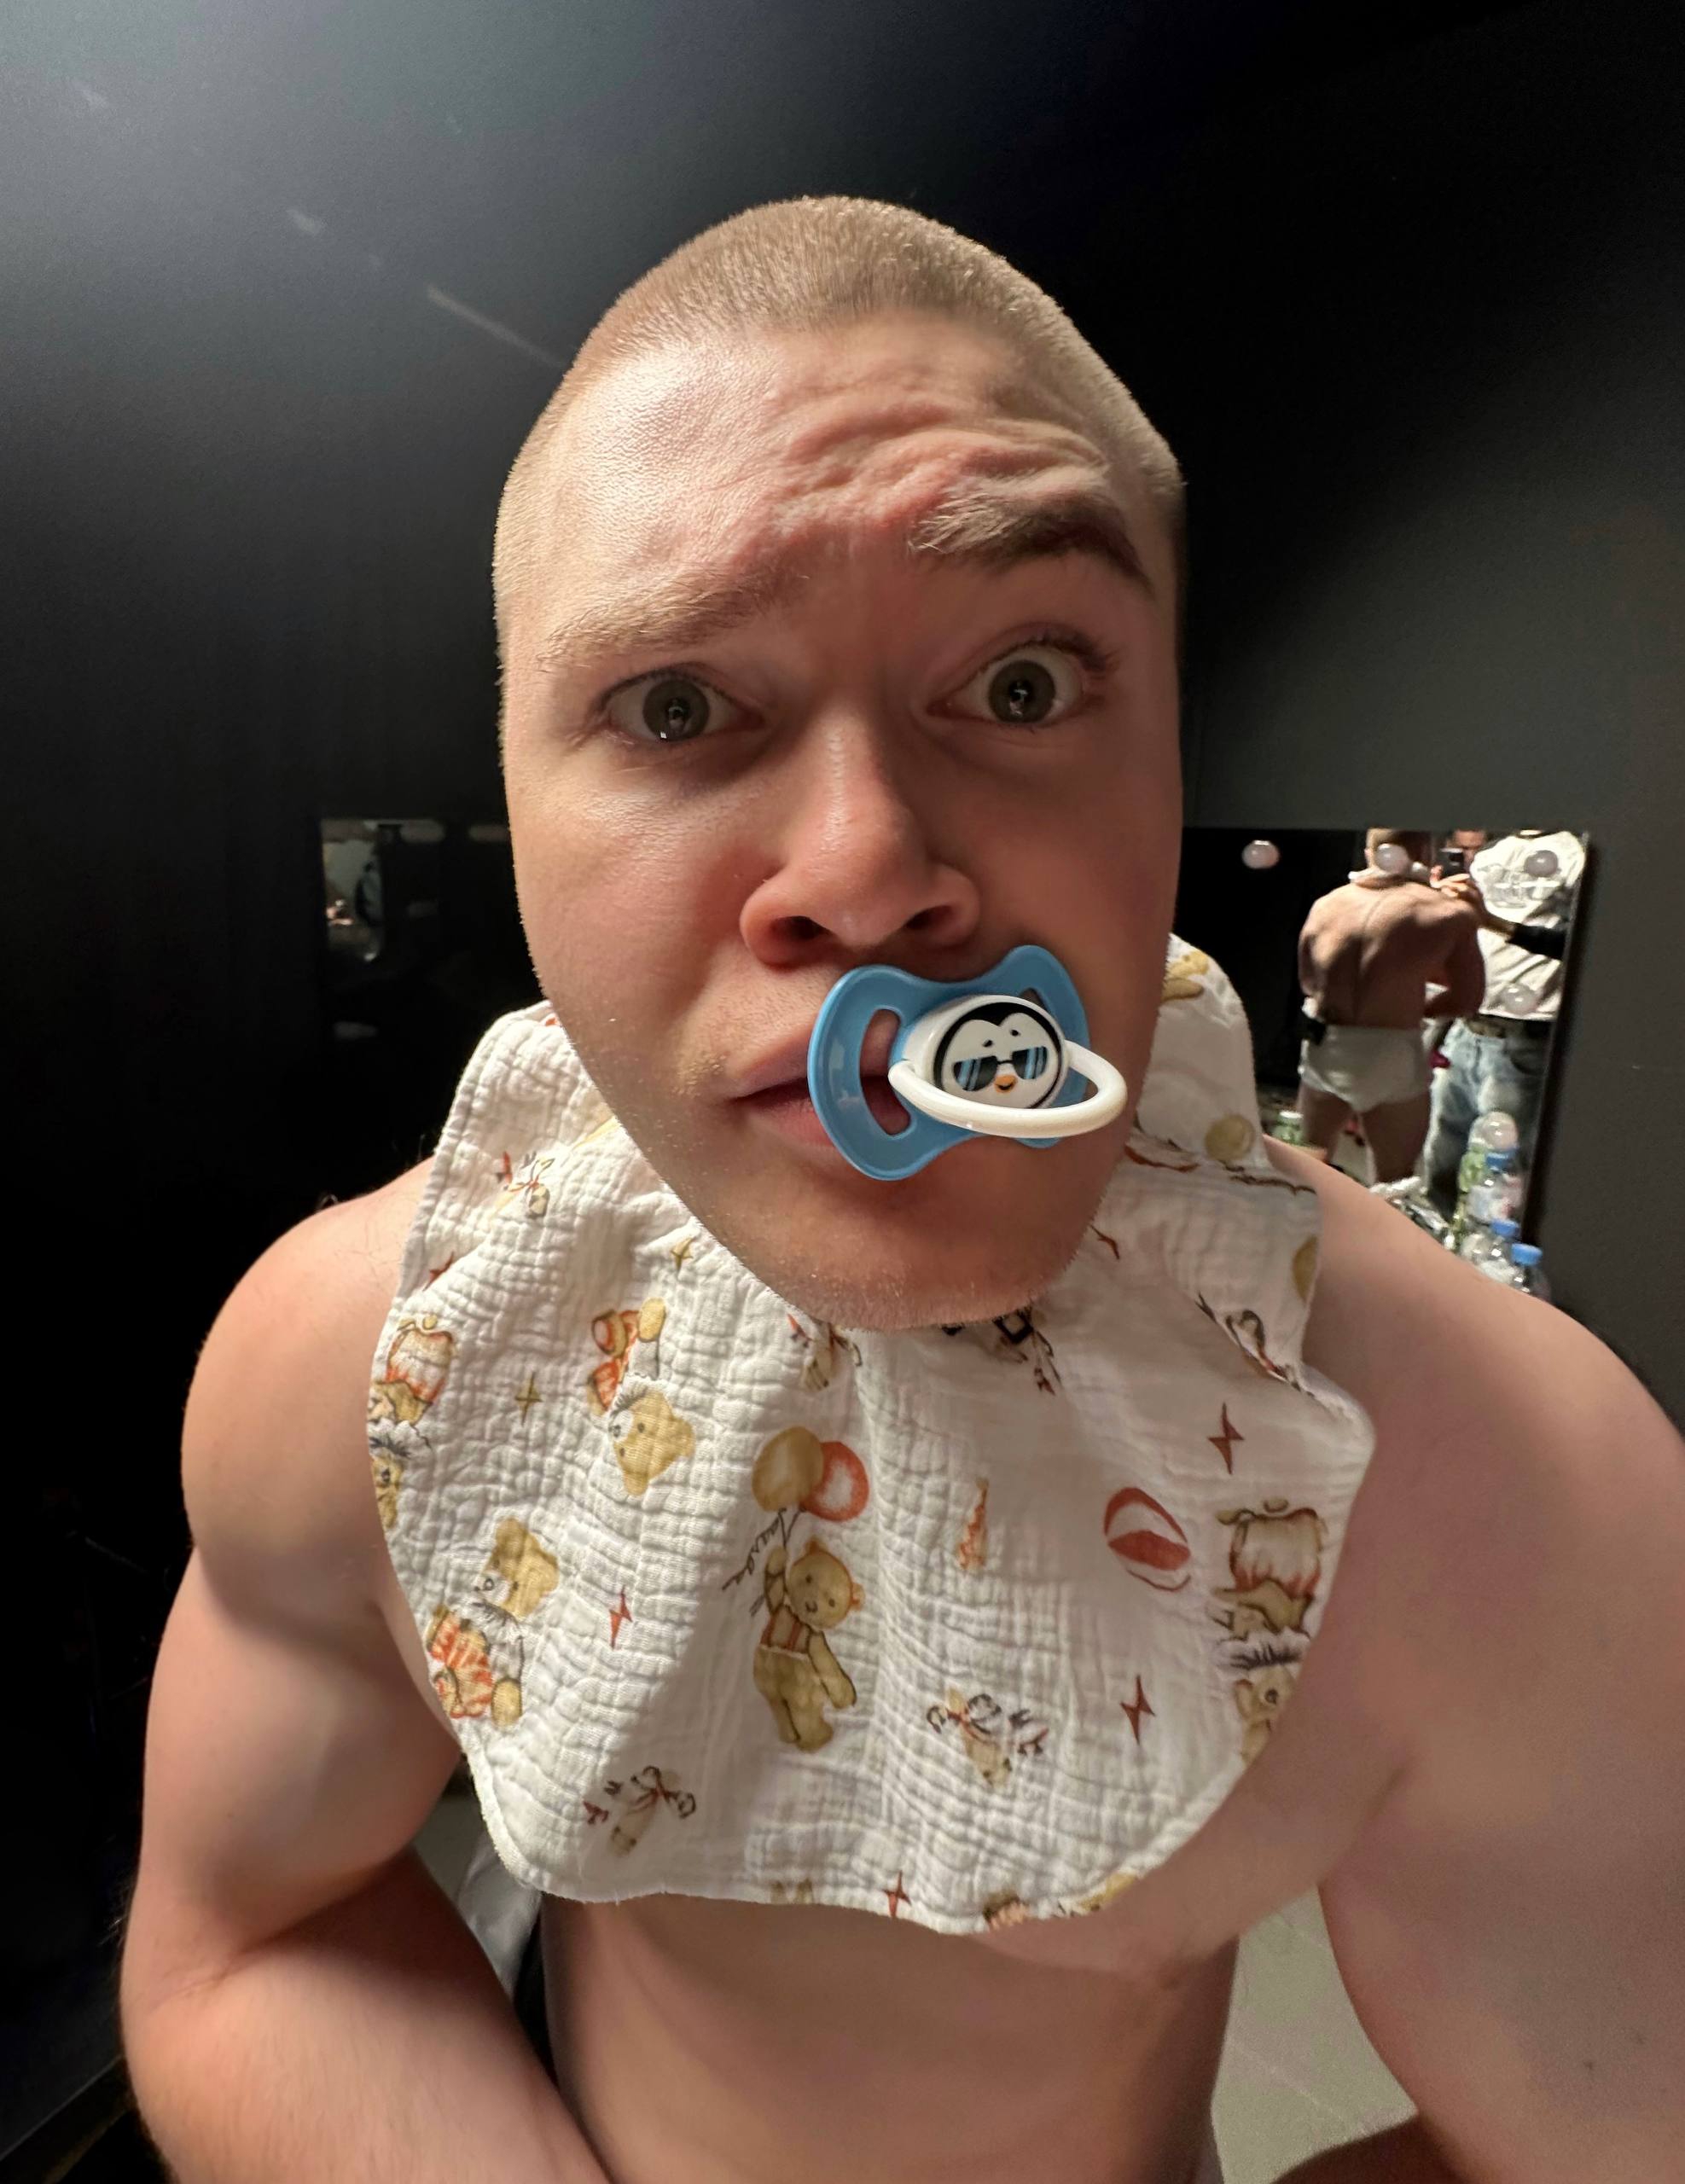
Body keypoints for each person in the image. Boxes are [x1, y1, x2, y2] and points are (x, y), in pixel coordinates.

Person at [119, 199, 1682, 2184]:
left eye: (1022, 683)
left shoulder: (1502, 1489)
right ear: (513, 802)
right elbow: (247, 1936)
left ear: (1170, 743)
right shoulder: (358, 1374)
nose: (867, 873)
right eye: (675, 706)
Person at [1294, 829, 1486, 1182]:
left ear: (1370, 852)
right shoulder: (1448, 912)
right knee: (1393, 1185)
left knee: (1303, 1173)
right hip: (1393, 1050)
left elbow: (1309, 983)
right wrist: (1413, 1004)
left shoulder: (1327, 905)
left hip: (1329, 1046)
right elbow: (1467, 998)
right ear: (1426, 851)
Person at [1421, 828, 1585, 1216]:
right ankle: (1432, 1239)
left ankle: (1486, 1247)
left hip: (1524, 1032)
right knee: (1441, 1155)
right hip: (1469, 1023)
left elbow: (1582, 941)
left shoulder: (1574, 854)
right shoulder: (1494, 851)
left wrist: (1494, 922)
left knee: (1499, 1171)